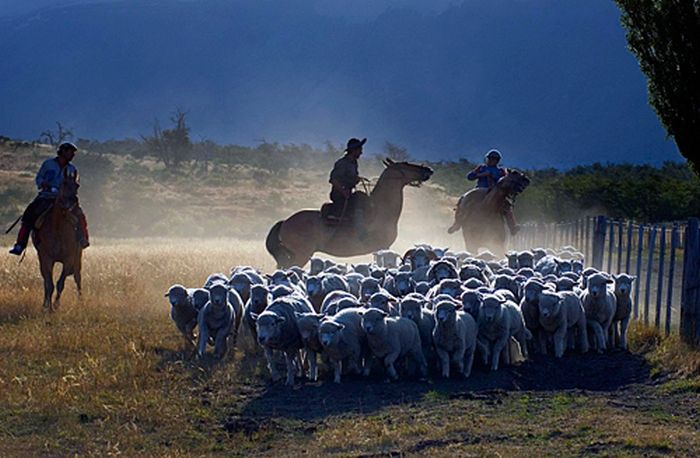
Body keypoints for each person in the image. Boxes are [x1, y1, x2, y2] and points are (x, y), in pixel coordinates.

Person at [9, 142, 89, 255]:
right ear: (63, 152)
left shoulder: (72, 169)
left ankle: (83, 239)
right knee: (28, 216)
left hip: (66, 199)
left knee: (80, 216)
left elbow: (76, 183)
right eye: (71, 152)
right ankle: (20, 244)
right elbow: (39, 178)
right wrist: (43, 183)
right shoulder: (48, 164)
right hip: (46, 197)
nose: (72, 155)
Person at [447, 149, 519, 235]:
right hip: (480, 190)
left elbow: (505, 181)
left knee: (507, 205)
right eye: (491, 159)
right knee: (463, 200)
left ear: (497, 161)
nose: (492, 161)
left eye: (494, 159)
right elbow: (470, 176)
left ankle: (512, 226)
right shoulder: (481, 168)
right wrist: (481, 175)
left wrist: (494, 177)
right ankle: (457, 223)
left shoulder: (501, 171)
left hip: (494, 191)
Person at [328, 137, 369, 238]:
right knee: (358, 203)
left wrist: (357, 178)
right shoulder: (342, 163)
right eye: (360, 150)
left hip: (347, 193)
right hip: (339, 194)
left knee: (363, 198)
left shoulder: (354, 163)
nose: (361, 152)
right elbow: (334, 179)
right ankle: (360, 233)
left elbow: (349, 177)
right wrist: (343, 191)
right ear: (354, 150)